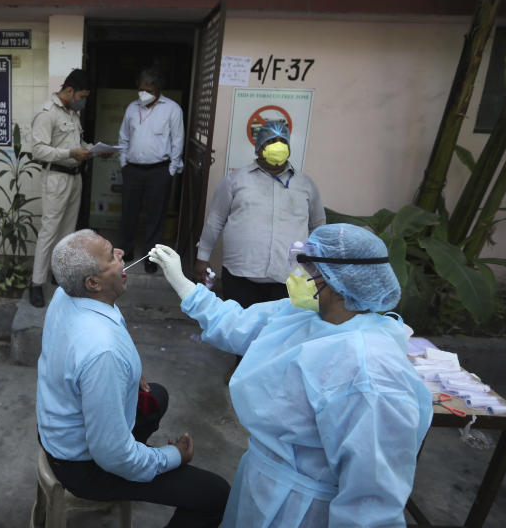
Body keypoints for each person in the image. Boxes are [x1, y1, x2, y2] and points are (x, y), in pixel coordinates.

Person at [148, 224, 433, 527]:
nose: (297, 273)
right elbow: (236, 324)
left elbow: (371, 499)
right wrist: (182, 283)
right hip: (262, 483)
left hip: (304, 510)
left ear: (336, 279)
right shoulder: (302, 314)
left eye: (307, 265)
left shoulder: (370, 373)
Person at [36, 229, 230, 527]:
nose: (121, 255)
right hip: (83, 466)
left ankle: (136, 463)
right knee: (216, 495)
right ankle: (131, 472)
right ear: (93, 283)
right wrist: (171, 456)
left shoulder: (67, 293)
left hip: (57, 428)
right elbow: (111, 455)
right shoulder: (103, 352)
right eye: (110, 256)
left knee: (157, 396)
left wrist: (131, 370)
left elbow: (107, 337)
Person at [194, 120, 324, 307]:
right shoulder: (235, 180)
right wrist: (202, 258)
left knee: (278, 333)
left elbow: (318, 226)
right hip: (241, 275)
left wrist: (316, 266)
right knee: (239, 329)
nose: (278, 145)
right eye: (271, 141)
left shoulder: (306, 185)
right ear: (259, 146)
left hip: (288, 279)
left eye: (282, 141)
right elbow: (215, 221)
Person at [27, 69, 96, 308]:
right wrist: (70, 153)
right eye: (82, 96)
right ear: (69, 90)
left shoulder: (72, 113)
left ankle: (59, 274)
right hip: (56, 178)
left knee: (67, 233)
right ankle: (36, 283)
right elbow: (38, 151)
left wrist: (92, 149)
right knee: (49, 231)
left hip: (75, 178)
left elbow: (76, 143)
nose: (83, 101)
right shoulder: (48, 113)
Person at [118, 67, 184, 273]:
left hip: (159, 171)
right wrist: (124, 163)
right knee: (128, 212)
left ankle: (150, 256)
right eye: (140, 89)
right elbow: (124, 137)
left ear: (157, 90)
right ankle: (126, 250)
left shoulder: (172, 109)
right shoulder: (131, 108)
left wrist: (171, 170)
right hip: (133, 170)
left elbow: (178, 141)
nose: (142, 94)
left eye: (146, 89)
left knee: (156, 216)